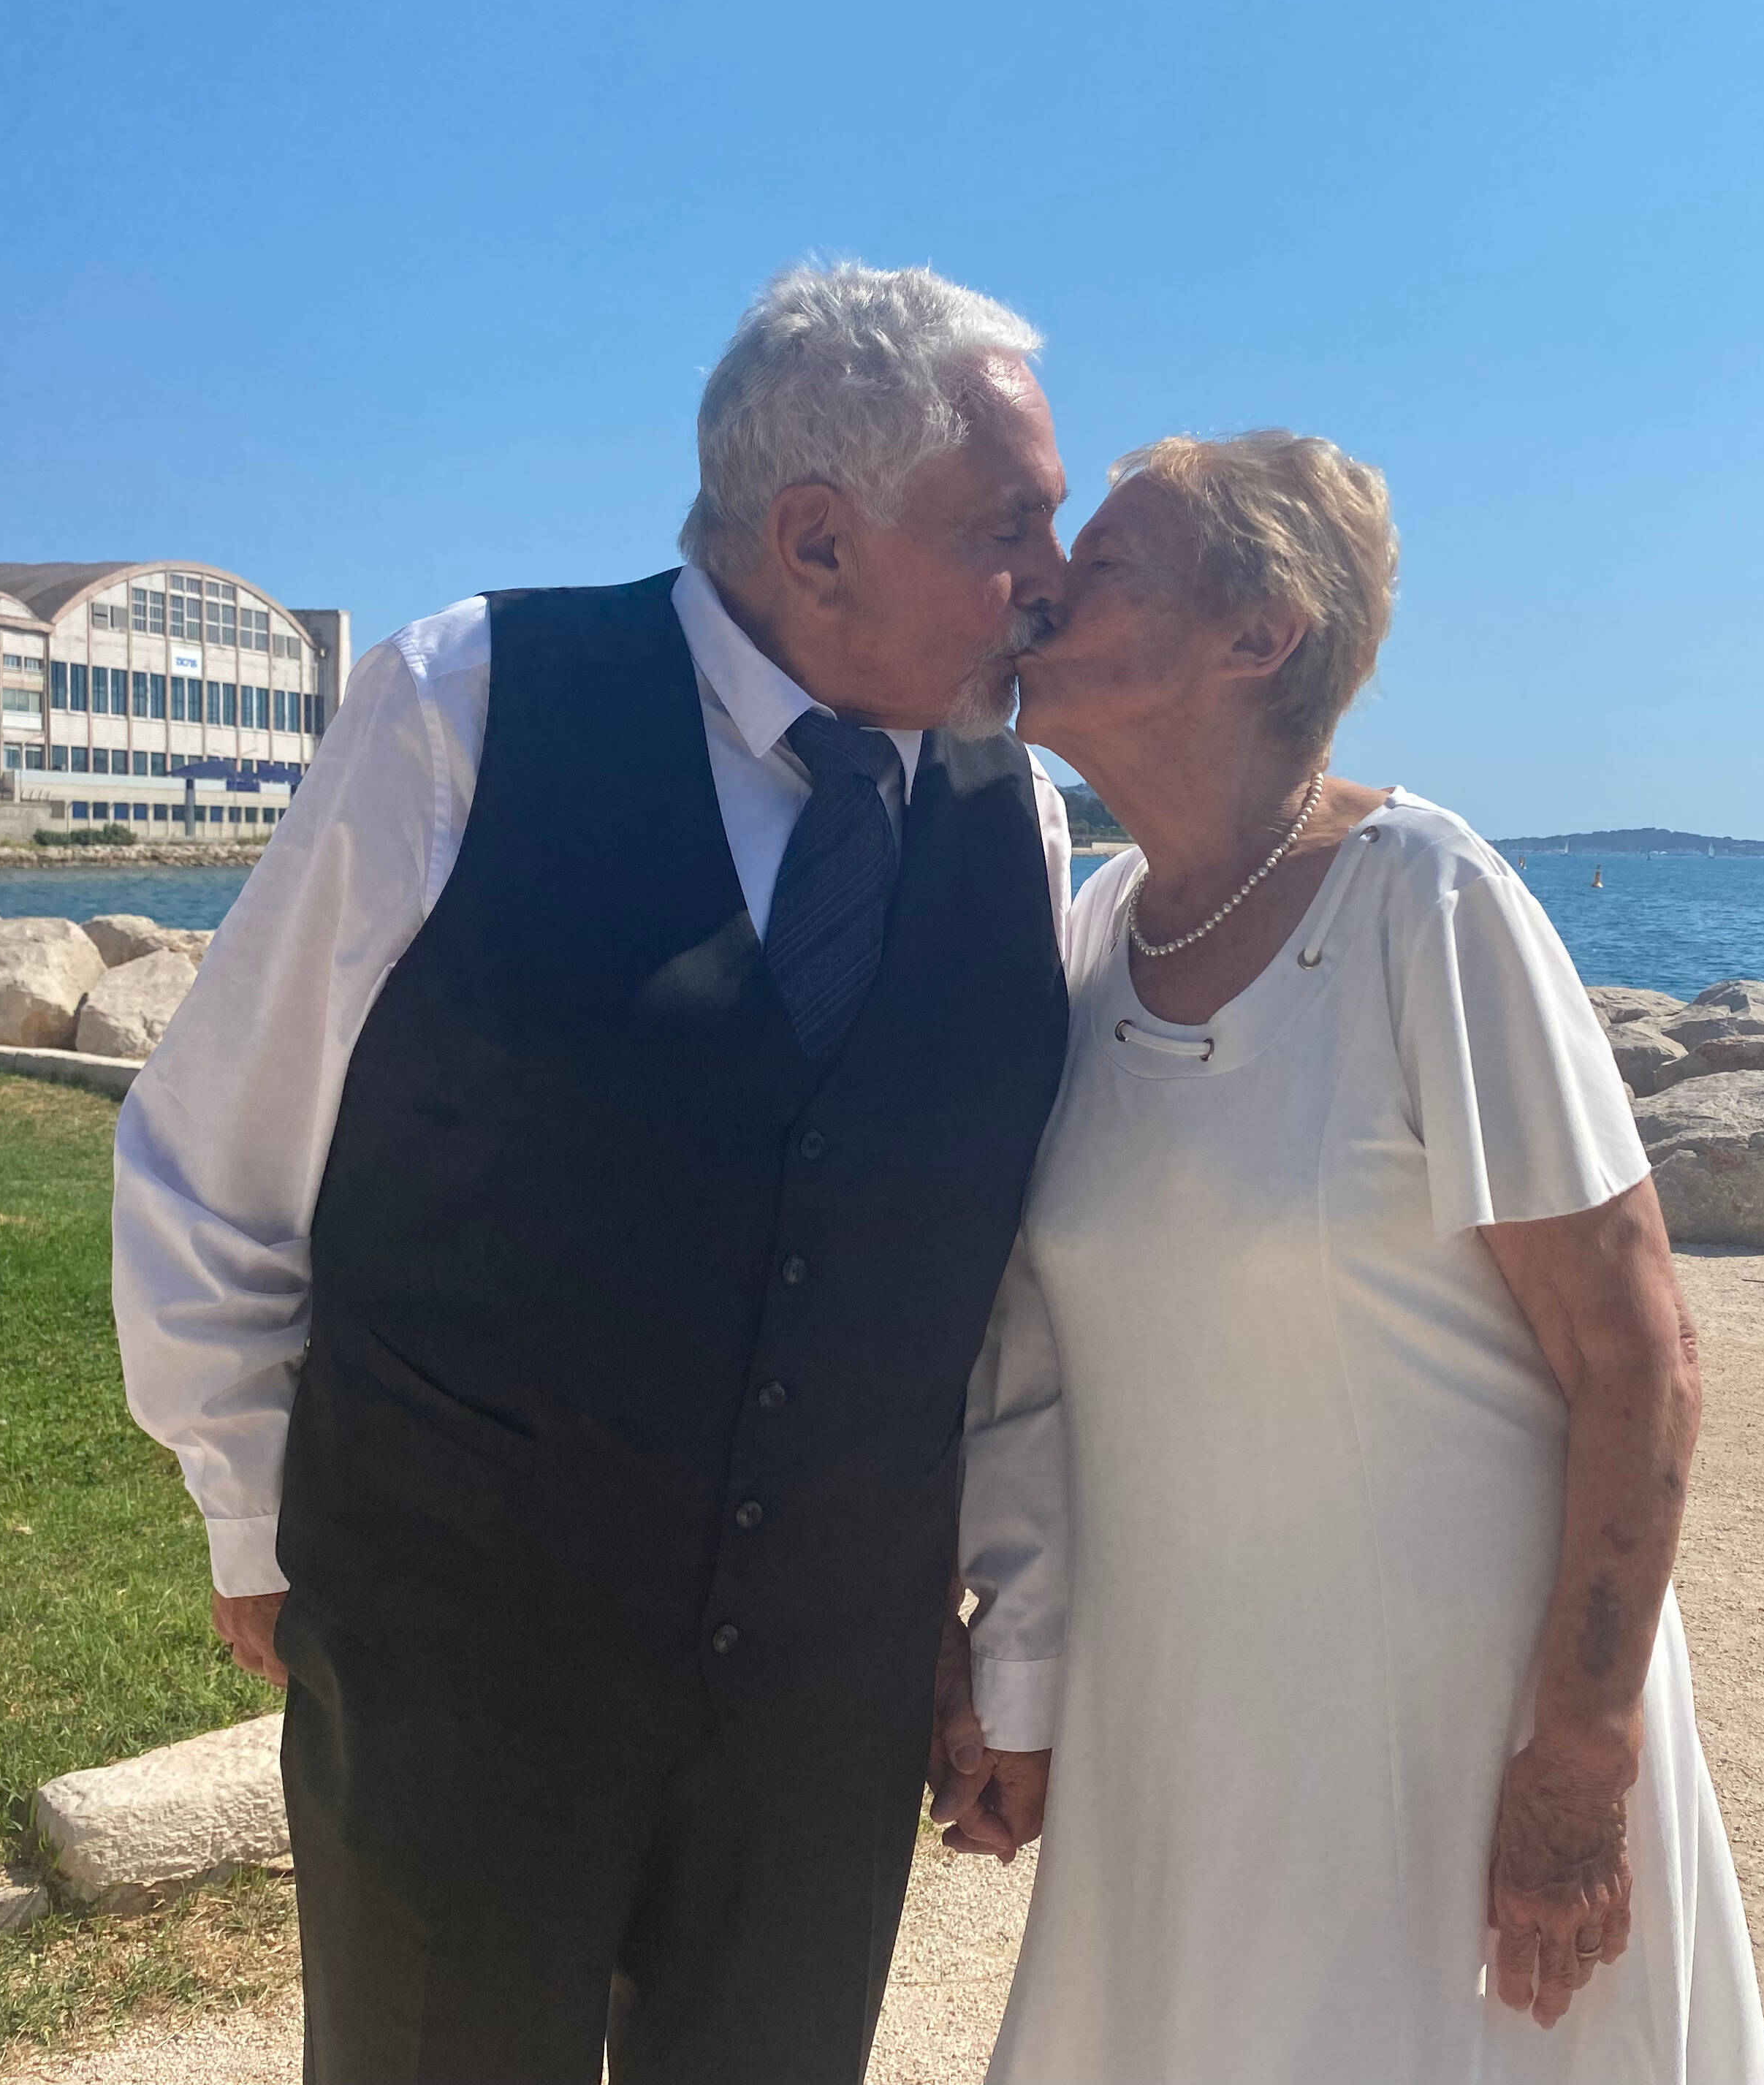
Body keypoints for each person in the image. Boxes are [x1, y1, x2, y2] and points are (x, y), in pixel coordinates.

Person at [113, 261, 1076, 2084]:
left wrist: (1009, 1632)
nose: (1055, 574)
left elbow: (996, 1277)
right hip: (461, 1667)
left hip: (818, 1700)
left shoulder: (1009, 818)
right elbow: (213, 1150)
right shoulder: (465, 707)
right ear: (816, 540)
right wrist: (250, 1509)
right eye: (1008, 526)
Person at [956, 431, 1764, 2082]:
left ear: (1258, 635)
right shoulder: (1097, 931)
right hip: (1181, 1735)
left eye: (1103, 568)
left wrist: (1581, 1760)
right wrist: (1015, 1676)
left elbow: (1641, 1361)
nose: (1038, 591)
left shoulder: (1426, 902)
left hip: (1453, 1742)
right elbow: (1048, 1360)